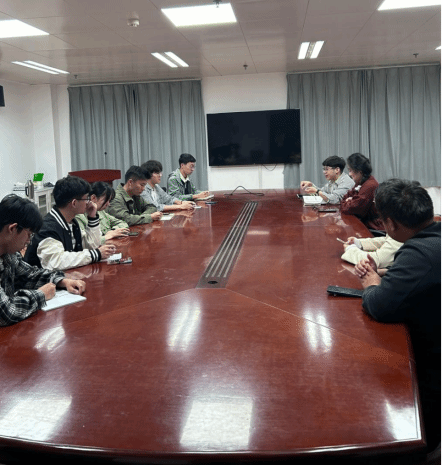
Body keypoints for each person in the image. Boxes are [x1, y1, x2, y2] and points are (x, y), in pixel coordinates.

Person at [355, 179, 441, 453]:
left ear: (390, 224)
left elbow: (380, 305)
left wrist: (371, 280)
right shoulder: (433, 240)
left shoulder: (418, 254)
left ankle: (427, 450)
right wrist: (387, 273)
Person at [0, 195, 86, 326]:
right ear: (12, 229)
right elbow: (6, 312)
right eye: (29, 235)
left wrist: (62, 281)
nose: (29, 241)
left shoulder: (8, 253)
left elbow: (29, 275)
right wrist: (41, 295)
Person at [24, 176, 116, 270]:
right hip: (40, 279)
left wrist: (92, 217)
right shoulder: (48, 228)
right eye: (86, 199)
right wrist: (96, 254)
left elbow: (92, 246)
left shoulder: (71, 222)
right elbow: (57, 261)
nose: (89, 202)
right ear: (74, 203)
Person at [340, 153, 383, 230]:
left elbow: (353, 209)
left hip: (373, 227)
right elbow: (345, 197)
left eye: (350, 170)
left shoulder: (370, 185)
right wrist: (349, 201)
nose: (349, 174)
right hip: (364, 224)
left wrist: (349, 201)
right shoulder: (361, 182)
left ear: (359, 171)